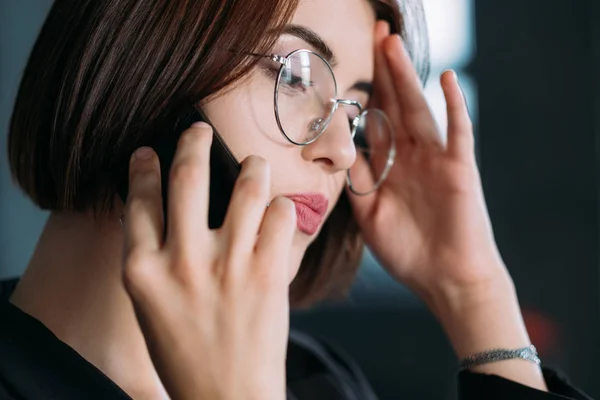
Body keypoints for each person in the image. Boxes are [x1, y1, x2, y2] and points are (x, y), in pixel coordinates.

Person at [0, 0, 593, 399]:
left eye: (354, 109)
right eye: (296, 74)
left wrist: (475, 291)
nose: (341, 148)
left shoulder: (318, 381)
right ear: (144, 54)